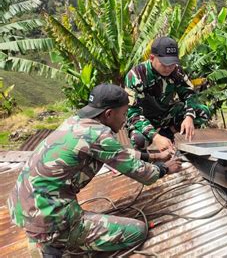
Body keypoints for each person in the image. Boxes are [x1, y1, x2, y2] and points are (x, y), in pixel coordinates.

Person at [7, 84, 182, 257]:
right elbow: (145, 175)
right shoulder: (100, 135)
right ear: (108, 114)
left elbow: (116, 153)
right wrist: (165, 168)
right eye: (123, 113)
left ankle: (44, 237)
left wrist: (154, 157)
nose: (124, 119)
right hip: (53, 220)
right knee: (138, 231)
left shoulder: (76, 122)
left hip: (25, 209)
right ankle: (57, 246)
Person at [124, 36, 210, 152]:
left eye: (172, 63)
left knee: (203, 112)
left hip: (166, 114)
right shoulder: (136, 76)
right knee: (139, 141)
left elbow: (189, 94)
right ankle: (152, 149)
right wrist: (155, 137)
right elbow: (133, 114)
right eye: (164, 64)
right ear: (152, 58)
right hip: (144, 118)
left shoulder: (176, 71)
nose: (169, 68)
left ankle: (168, 133)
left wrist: (189, 116)